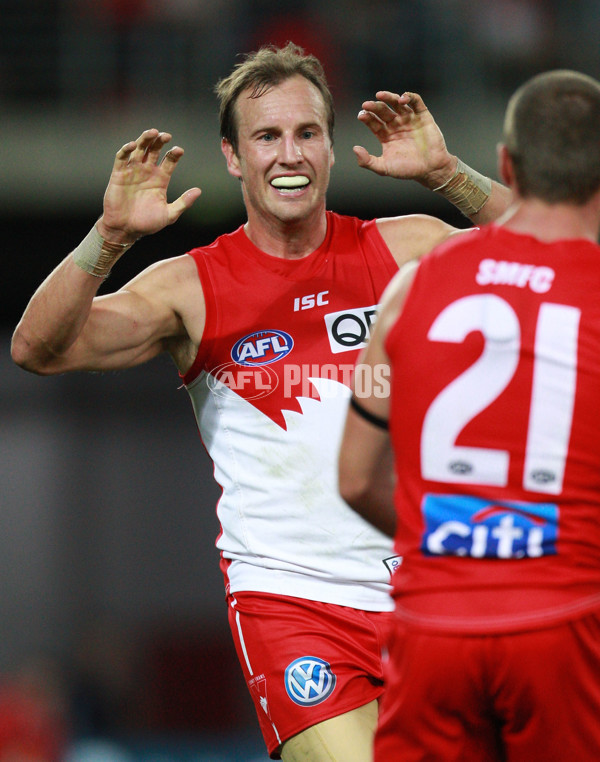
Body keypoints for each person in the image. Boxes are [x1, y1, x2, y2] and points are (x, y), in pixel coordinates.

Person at [11, 42, 510, 761]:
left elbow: (567, 258)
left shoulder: (408, 250)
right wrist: (110, 236)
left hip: (432, 598)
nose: (290, 154)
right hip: (293, 604)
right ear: (234, 157)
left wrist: (448, 175)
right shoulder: (188, 287)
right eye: (267, 136)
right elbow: (38, 349)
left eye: (307, 133)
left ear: (332, 148)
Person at [338, 69, 600, 761]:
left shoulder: (409, 288)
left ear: (509, 162)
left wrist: (456, 541)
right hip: (564, 621)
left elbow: (356, 479)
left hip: (433, 626)